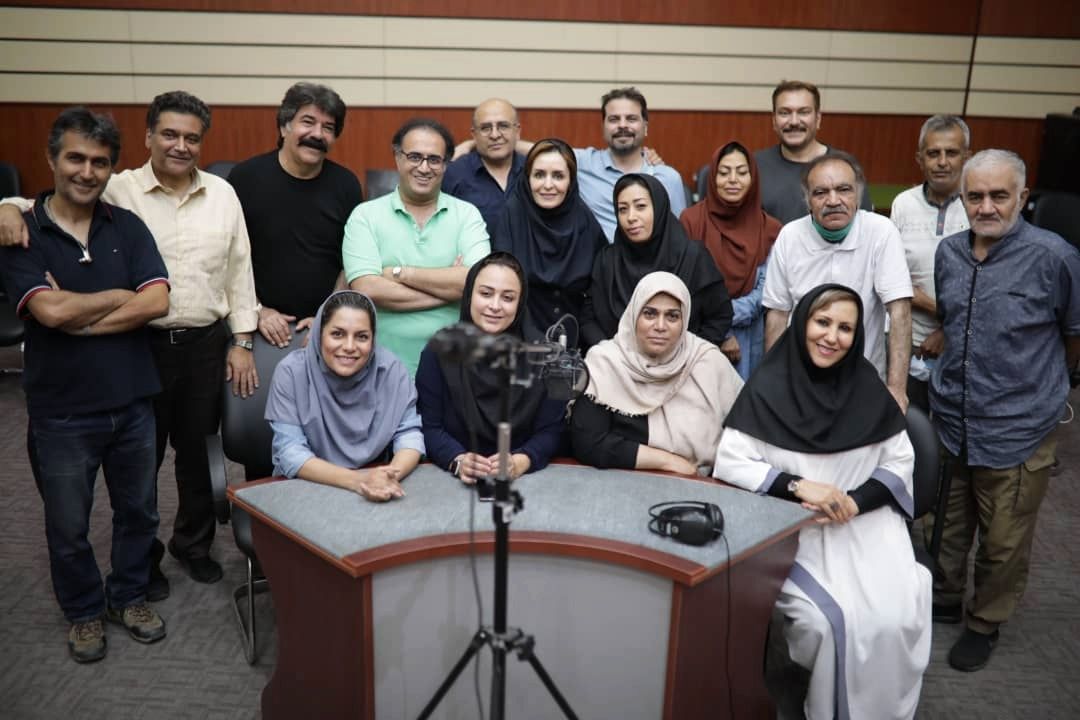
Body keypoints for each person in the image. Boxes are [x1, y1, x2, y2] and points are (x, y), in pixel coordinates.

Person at [0, 91, 261, 592]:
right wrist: (7, 206)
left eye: (191, 138)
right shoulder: (117, 187)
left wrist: (242, 340)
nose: (180, 146)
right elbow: (47, 202)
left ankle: (193, 545)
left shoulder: (223, 194)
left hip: (205, 344)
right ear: (148, 136)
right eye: (170, 134)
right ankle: (146, 560)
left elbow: (239, 268)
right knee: (141, 462)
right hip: (139, 345)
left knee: (196, 454)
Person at [0, 107, 171, 662]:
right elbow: (47, 312)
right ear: (52, 159)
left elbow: (157, 300)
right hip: (62, 412)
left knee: (139, 513)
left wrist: (82, 316)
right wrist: (120, 296)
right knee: (69, 525)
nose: (87, 171)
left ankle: (128, 598)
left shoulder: (128, 226)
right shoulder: (21, 233)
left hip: (134, 401)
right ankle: (83, 611)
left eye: (100, 162)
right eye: (76, 158)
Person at [714, 284, 931, 720]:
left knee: (894, 616)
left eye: (845, 328)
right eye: (822, 322)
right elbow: (732, 462)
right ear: (802, 324)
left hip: (866, 531)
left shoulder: (868, 388)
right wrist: (798, 486)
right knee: (832, 623)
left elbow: (899, 460)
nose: (832, 336)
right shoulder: (766, 388)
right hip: (795, 533)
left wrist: (857, 500)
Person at [928, 149, 1080, 672]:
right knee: (946, 526)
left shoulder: (1055, 257)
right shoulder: (948, 252)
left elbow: (1073, 334)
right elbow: (952, 319)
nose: (986, 207)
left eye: (999, 195)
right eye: (975, 196)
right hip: (952, 419)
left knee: (1003, 540)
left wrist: (1043, 386)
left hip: (1018, 427)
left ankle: (984, 622)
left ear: (1022, 196)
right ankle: (945, 598)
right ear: (962, 198)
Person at [763, 151, 912, 411]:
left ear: (858, 195)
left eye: (843, 190)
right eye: (820, 193)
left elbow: (899, 311)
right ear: (807, 200)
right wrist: (774, 384)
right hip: (801, 381)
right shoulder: (790, 236)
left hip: (864, 380)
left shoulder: (881, 231)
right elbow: (777, 314)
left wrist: (897, 389)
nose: (833, 201)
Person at [344, 117, 490, 375]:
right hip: (381, 368)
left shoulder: (467, 215)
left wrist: (400, 273)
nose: (424, 167)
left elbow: (477, 282)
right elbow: (367, 288)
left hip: (453, 368)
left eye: (434, 159)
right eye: (414, 157)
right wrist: (450, 289)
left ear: (445, 165)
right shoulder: (365, 216)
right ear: (397, 157)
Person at [228, 82, 362, 348]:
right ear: (284, 127)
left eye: (328, 127)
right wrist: (257, 309)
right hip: (257, 324)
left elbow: (351, 260)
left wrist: (329, 314)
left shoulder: (346, 185)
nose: (317, 134)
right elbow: (228, 257)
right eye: (308, 122)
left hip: (326, 327)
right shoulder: (245, 178)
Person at [415, 252, 566, 483]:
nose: (495, 306)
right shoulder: (439, 352)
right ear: (469, 295)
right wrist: (457, 459)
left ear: (520, 303)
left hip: (528, 484)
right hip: (450, 486)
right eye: (485, 294)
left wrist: (520, 461)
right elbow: (430, 427)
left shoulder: (546, 357)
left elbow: (552, 431)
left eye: (508, 298)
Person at [571, 272, 742, 474]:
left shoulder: (707, 362)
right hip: (622, 484)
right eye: (650, 314)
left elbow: (745, 440)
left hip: (703, 485)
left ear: (684, 320)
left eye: (672, 316)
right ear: (634, 315)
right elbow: (588, 442)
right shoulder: (605, 362)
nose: (660, 326)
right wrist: (667, 461)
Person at [265, 291, 424, 501]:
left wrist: (389, 476)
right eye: (337, 334)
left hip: (378, 486)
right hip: (307, 486)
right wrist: (359, 481)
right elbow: (290, 453)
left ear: (373, 339)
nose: (349, 347)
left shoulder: (391, 370)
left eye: (362, 336)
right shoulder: (291, 372)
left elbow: (409, 435)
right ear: (319, 334)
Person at [581, 173, 732, 350]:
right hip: (617, 361)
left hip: (682, 362)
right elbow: (588, 318)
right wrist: (610, 352)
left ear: (659, 207)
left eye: (640, 206)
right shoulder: (607, 260)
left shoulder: (693, 257)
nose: (631, 217)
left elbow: (719, 316)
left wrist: (688, 354)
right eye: (622, 209)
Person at [890, 115, 971, 412]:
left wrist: (947, 328)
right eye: (933, 153)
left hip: (964, 344)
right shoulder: (903, 204)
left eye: (952, 153)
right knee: (907, 422)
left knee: (952, 426)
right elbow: (893, 277)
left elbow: (987, 287)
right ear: (920, 159)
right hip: (907, 343)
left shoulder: (979, 206)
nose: (942, 162)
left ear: (967, 157)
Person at [489, 138, 606, 343]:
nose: (548, 185)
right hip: (516, 340)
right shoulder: (511, 217)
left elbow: (597, 296)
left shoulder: (585, 223)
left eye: (558, 176)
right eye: (539, 175)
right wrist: (538, 344)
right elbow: (500, 290)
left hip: (575, 342)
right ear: (527, 178)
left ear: (571, 181)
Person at [680, 140, 780, 378]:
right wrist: (721, 331)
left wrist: (723, 320)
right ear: (713, 178)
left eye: (742, 172)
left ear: (753, 178)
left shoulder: (771, 229)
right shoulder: (691, 221)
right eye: (724, 173)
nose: (732, 179)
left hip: (753, 336)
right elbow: (686, 283)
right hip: (700, 332)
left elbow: (768, 289)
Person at [755, 80, 872, 224]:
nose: (794, 121)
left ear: (818, 119)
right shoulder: (754, 167)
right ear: (774, 120)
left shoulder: (846, 167)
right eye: (784, 113)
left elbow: (864, 224)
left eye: (803, 112)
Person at [443, 98, 524, 231]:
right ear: (474, 135)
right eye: (485, 128)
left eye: (503, 126)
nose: (495, 135)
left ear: (517, 131)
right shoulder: (453, 173)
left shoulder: (534, 170)